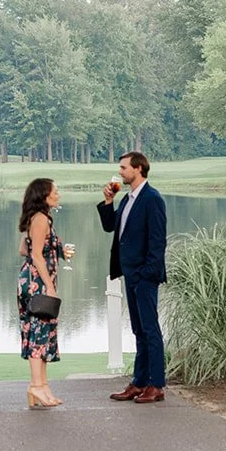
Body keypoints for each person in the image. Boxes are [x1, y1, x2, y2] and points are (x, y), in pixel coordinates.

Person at [97, 151, 167, 404]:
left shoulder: (152, 199)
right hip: (130, 274)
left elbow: (158, 242)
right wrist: (108, 201)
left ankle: (156, 385)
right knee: (138, 329)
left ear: (138, 169)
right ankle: (139, 382)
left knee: (150, 329)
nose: (120, 172)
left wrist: (147, 274)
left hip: (145, 276)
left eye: (123, 168)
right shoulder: (127, 198)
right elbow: (111, 227)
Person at [18, 177, 73, 409]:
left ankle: (43, 386)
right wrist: (49, 285)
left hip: (35, 279)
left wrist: (57, 251)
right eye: (55, 191)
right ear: (44, 195)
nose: (58, 194)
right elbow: (36, 255)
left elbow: (23, 249)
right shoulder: (40, 219)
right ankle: (35, 386)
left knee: (43, 332)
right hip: (37, 283)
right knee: (37, 334)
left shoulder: (39, 218)